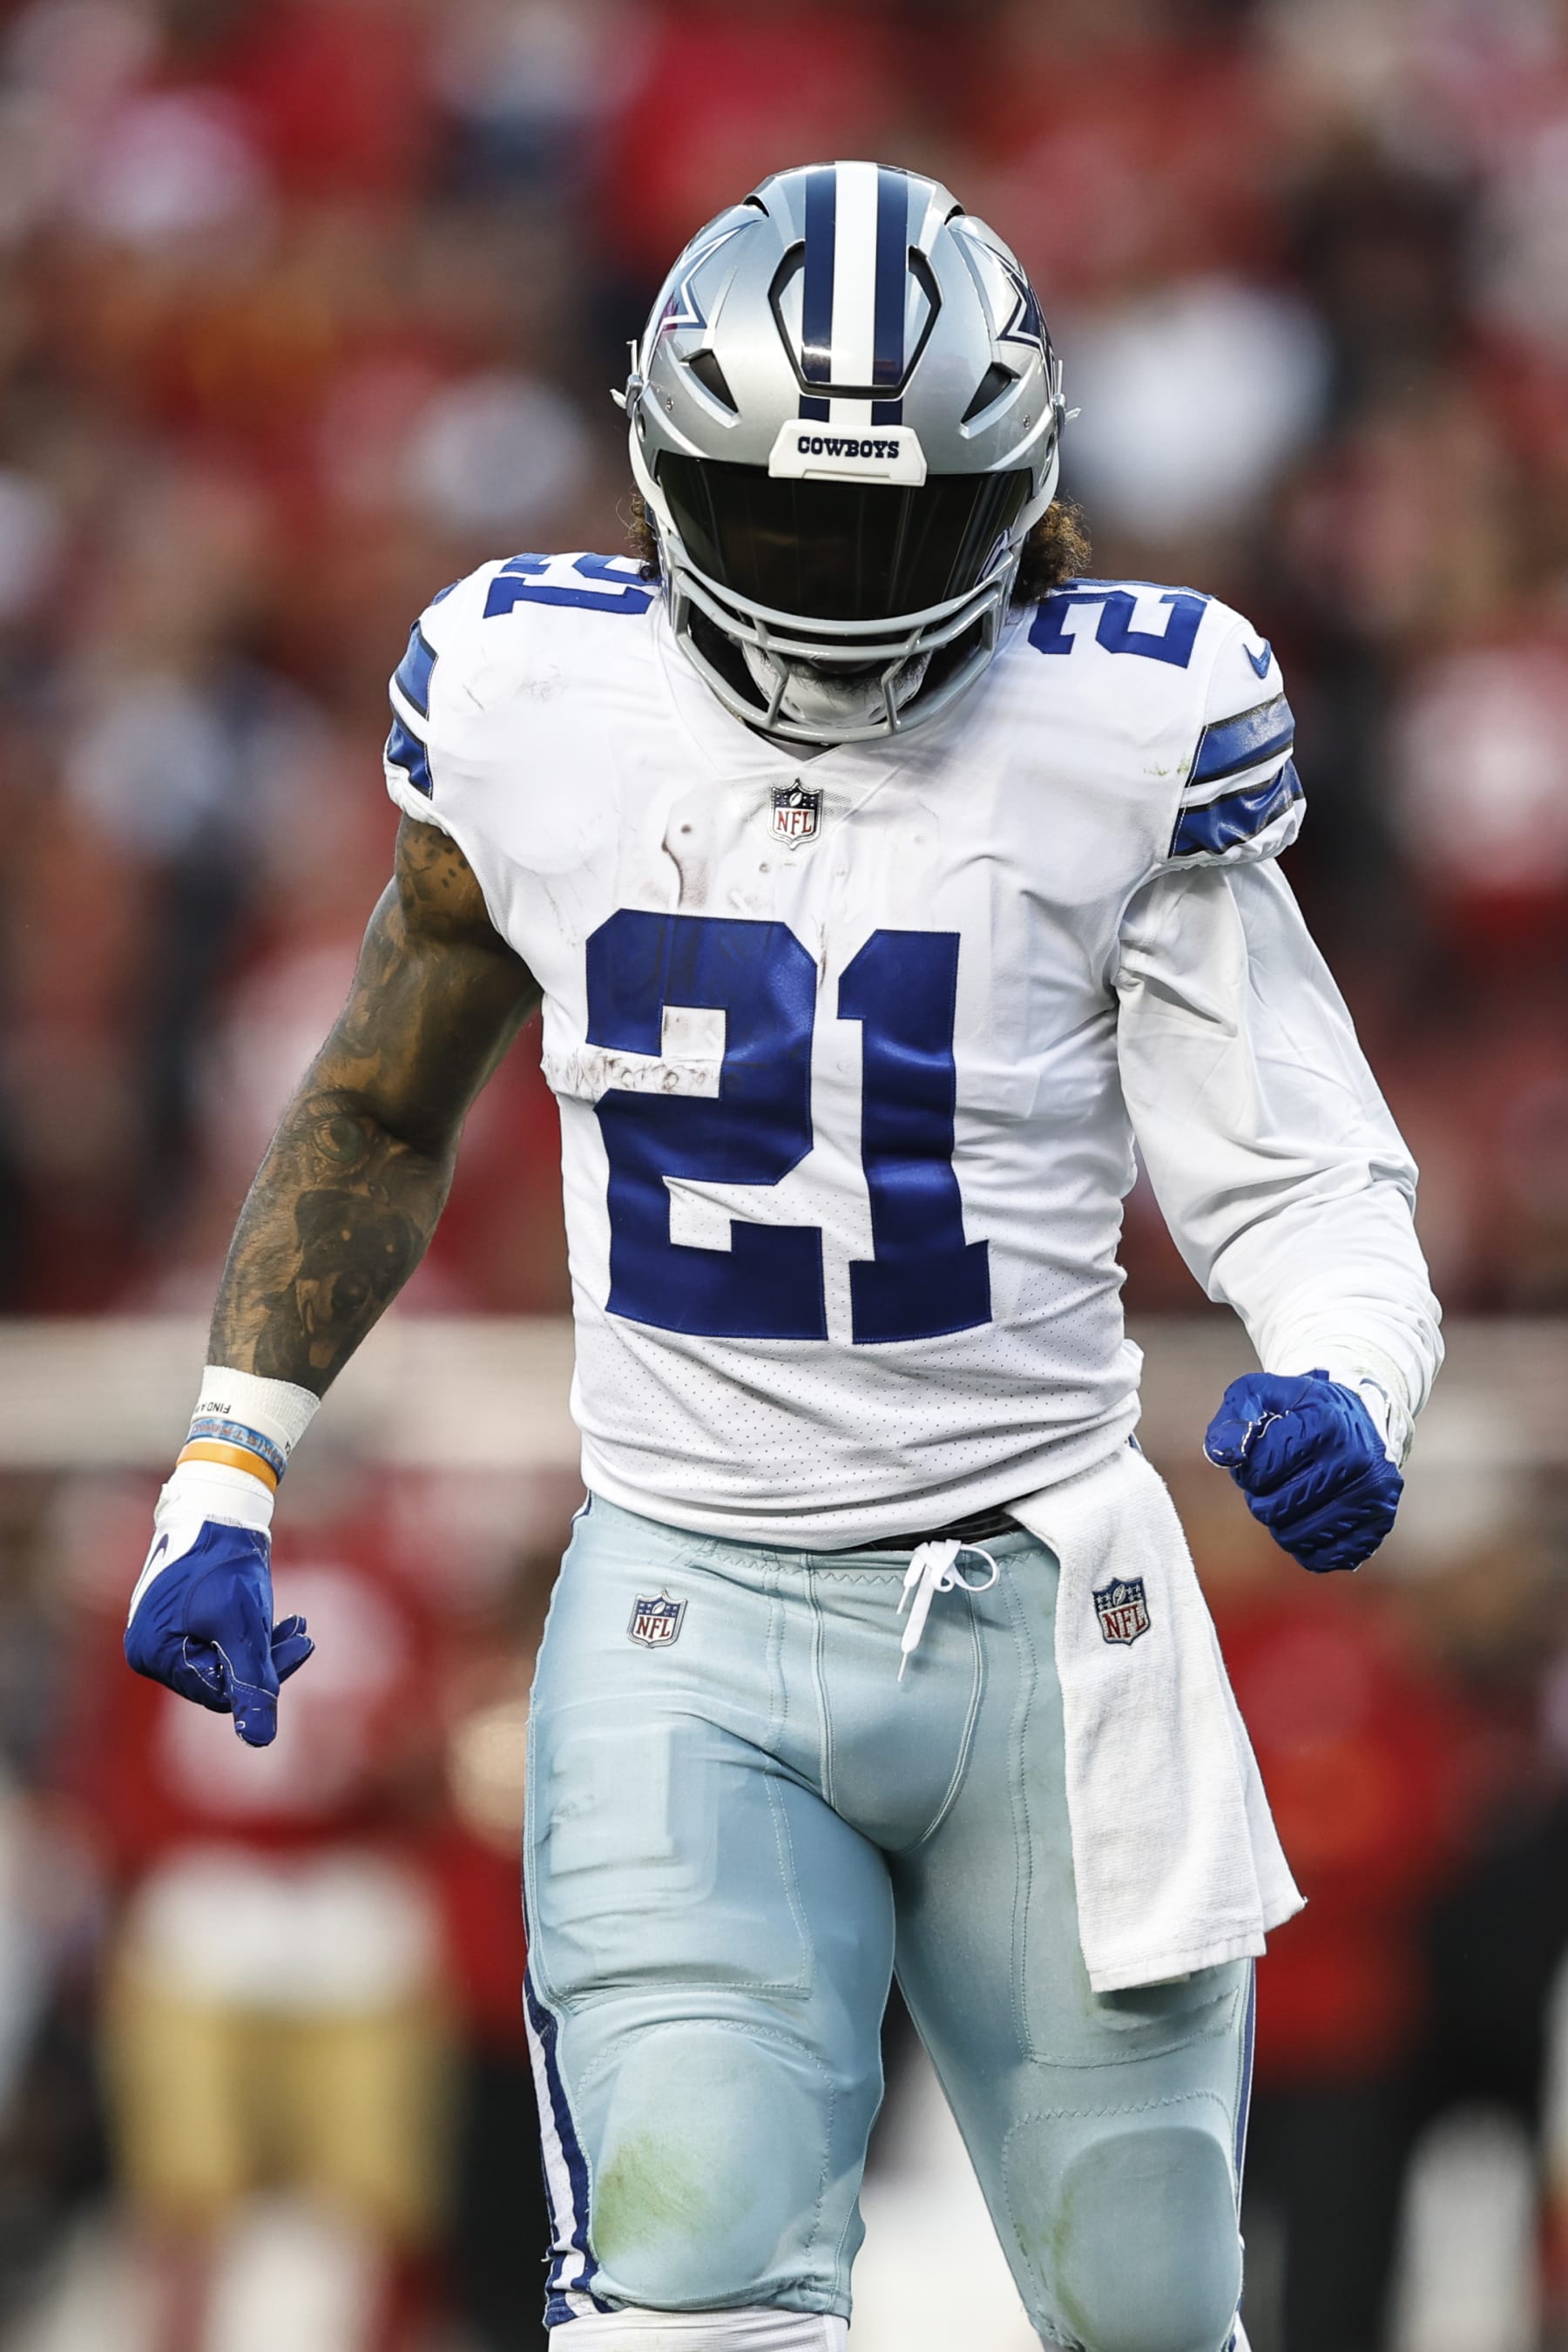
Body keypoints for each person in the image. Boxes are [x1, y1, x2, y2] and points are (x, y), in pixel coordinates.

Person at [124, 162, 1442, 2352]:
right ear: (660, 470)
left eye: (894, 521)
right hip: (690, 1602)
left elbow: (1302, 1170)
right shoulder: (541, 698)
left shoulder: (1127, 727)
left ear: (1017, 492)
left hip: (1050, 1611)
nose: (837, 582)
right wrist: (224, 1470)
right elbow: (374, 1100)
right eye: (785, 514)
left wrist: (1345, 1368)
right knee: (692, 2291)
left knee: (1150, 2310)